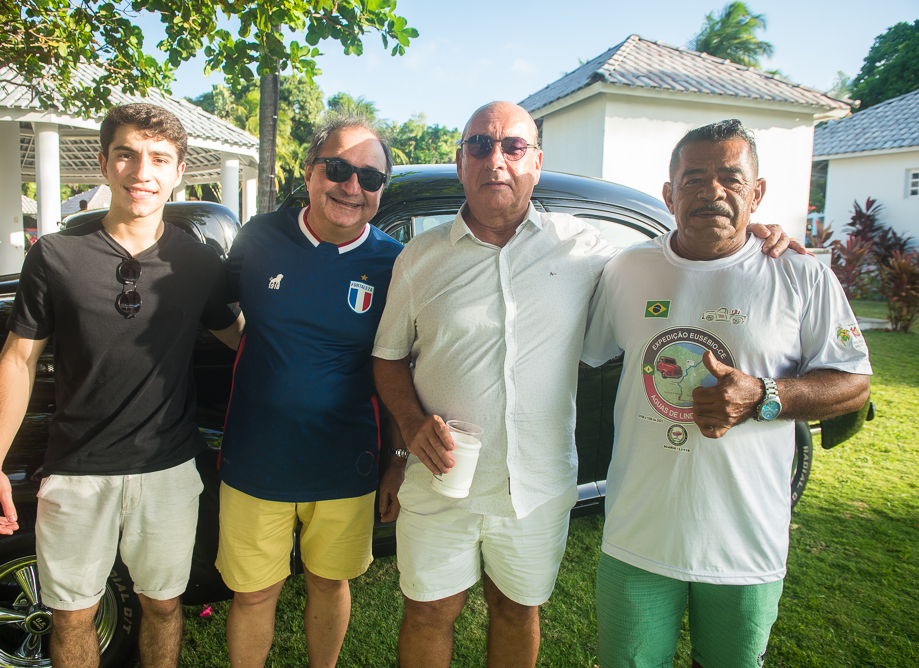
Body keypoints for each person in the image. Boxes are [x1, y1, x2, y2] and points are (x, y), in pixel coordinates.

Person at [371, 102, 797, 668]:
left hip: (538, 484)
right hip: (442, 478)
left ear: (537, 163)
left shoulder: (585, 250)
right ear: (460, 162)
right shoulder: (419, 258)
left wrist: (752, 234)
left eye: (512, 147)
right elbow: (388, 357)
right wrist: (408, 427)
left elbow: (676, 256)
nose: (494, 159)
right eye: (479, 145)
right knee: (427, 612)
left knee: (516, 610)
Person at [580, 119, 872, 668]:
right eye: (693, 178)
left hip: (745, 544)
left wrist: (765, 395)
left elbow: (854, 383)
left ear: (756, 194)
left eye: (730, 178)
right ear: (669, 194)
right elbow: (577, 351)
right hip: (638, 535)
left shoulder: (800, 276)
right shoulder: (627, 271)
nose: (711, 190)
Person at [0, 103, 243, 668]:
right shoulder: (56, 255)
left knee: (164, 606)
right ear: (104, 163)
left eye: (159, 159)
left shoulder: (197, 261)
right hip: (75, 471)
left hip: (167, 470)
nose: (142, 171)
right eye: (127, 154)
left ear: (178, 172)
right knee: (72, 614)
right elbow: (19, 360)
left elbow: (242, 339)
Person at [216, 114, 406, 668]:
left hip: (345, 461)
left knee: (330, 583)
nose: (352, 187)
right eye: (339, 169)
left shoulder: (395, 264)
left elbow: (399, 368)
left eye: (370, 178)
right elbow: (211, 306)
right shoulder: (260, 237)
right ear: (309, 171)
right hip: (255, 457)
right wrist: (256, 347)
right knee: (252, 592)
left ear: (381, 190)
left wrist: (395, 461)